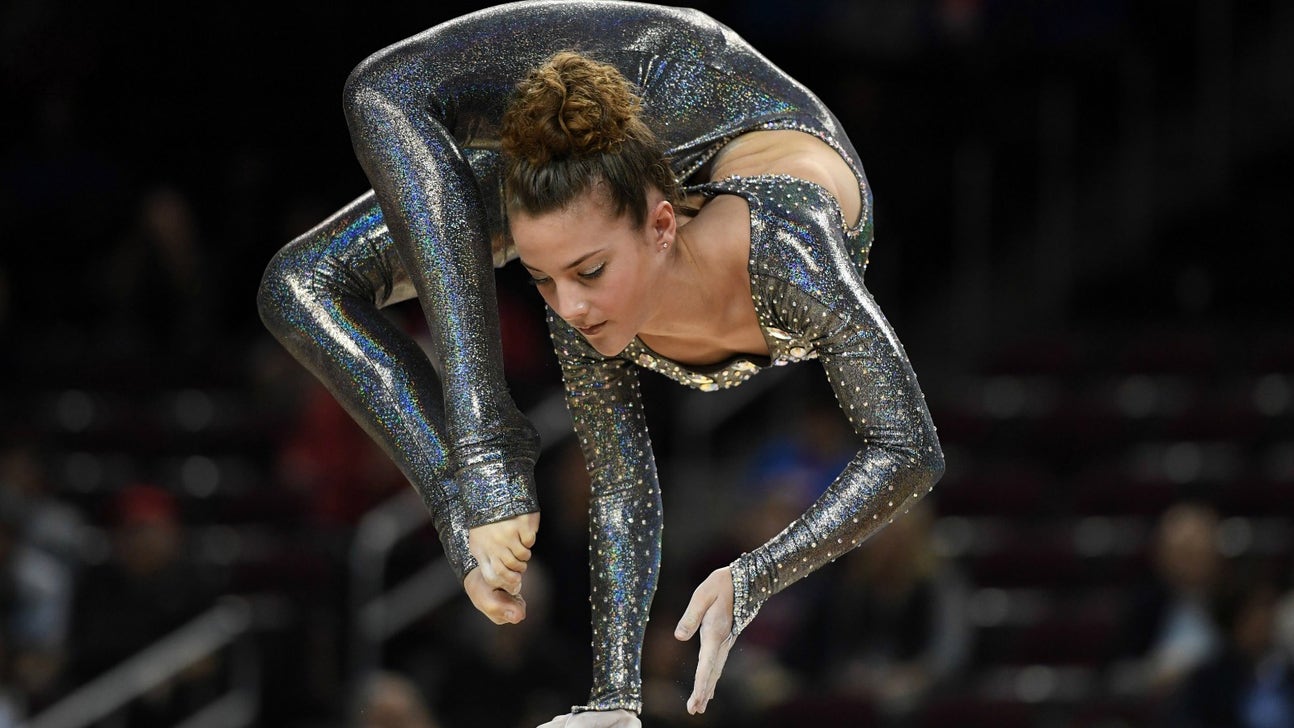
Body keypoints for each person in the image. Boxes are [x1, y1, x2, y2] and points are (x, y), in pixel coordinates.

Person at [257, 2, 944, 725]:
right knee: (297, 286)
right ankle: (468, 484)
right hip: (611, 150)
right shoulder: (590, 283)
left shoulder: (787, 253)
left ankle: (485, 450)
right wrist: (613, 701)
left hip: (681, 78)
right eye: (543, 280)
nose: (570, 308)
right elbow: (621, 482)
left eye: (586, 273)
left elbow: (909, 448)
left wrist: (755, 576)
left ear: (662, 226)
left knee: (380, 86)